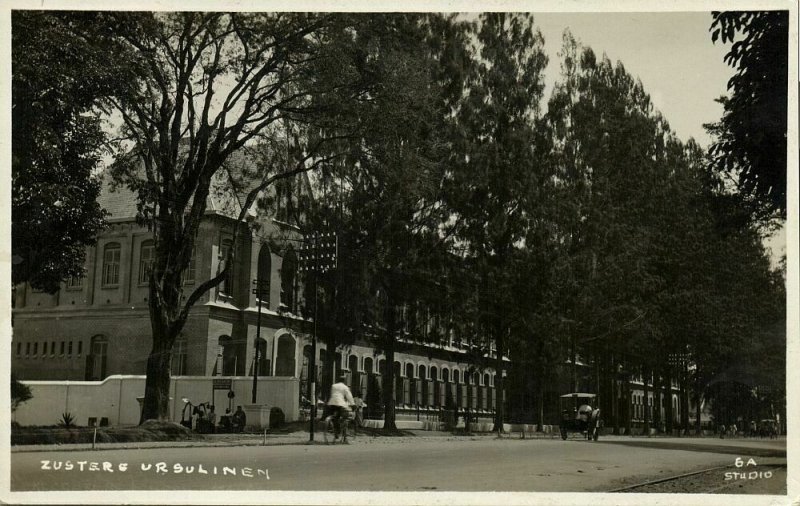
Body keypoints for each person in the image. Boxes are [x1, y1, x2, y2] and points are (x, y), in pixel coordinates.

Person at [327, 375, 354, 441]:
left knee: (334, 417)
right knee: (343, 417)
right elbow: (349, 396)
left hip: (332, 403)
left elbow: (332, 394)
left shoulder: (333, 386)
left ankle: (333, 427)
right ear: (344, 381)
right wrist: (353, 404)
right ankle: (339, 432)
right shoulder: (345, 387)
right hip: (340, 403)